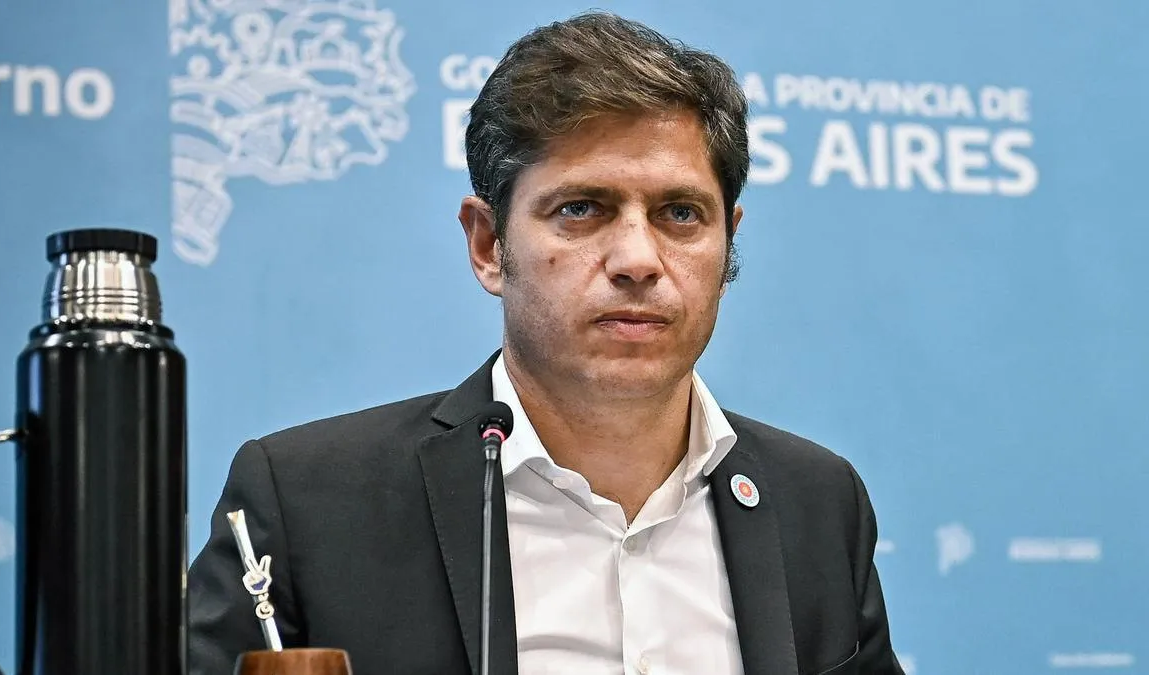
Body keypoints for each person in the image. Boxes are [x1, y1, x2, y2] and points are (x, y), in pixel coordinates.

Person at [187, 11, 904, 675]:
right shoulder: (309, 501)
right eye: (581, 208)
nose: (638, 259)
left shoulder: (818, 503)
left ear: (728, 245)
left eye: (681, 213)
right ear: (488, 245)